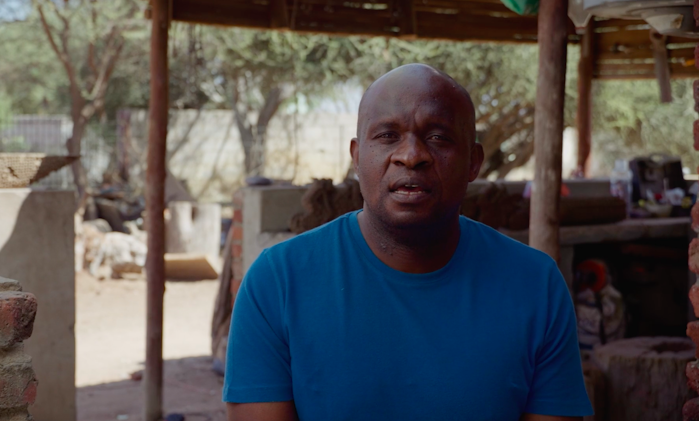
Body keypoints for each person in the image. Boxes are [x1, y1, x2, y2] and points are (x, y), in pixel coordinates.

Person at [223, 64, 593, 421]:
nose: (411, 155)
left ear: (473, 162)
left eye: (438, 137)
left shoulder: (535, 284)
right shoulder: (277, 283)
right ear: (356, 157)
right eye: (387, 136)